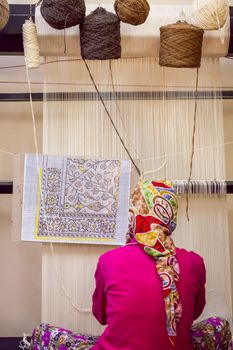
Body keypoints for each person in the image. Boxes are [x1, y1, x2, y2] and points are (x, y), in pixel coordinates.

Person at [30, 180, 233, 350]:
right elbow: (193, 314)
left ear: (134, 213)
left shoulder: (109, 260)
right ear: (171, 216)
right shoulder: (194, 262)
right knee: (219, 325)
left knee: (43, 333)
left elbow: (101, 317)